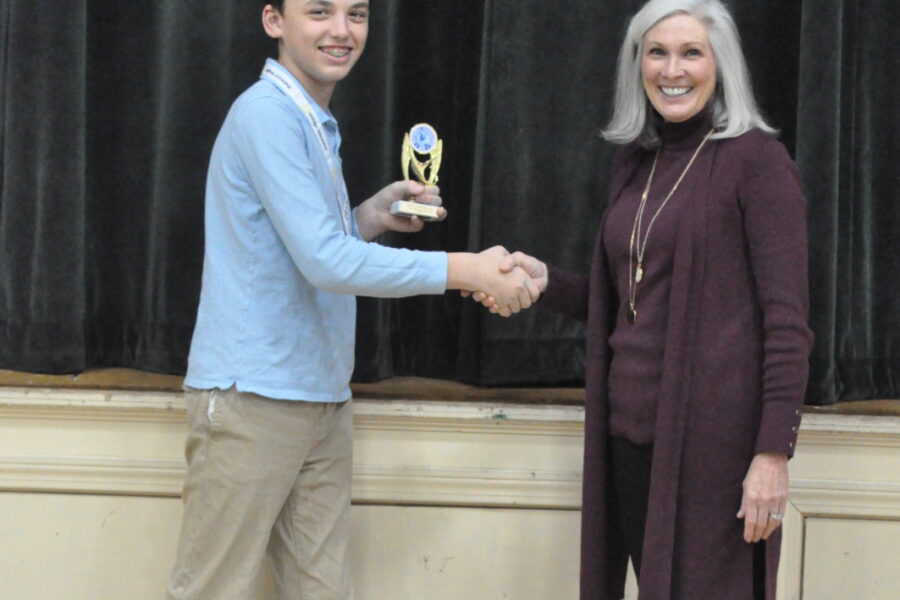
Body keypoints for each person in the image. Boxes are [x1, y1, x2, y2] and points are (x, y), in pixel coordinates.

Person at [165, 1, 540, 598]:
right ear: (273, 20)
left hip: (320, 394)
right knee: (211, 590)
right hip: (253, 395)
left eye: (357, 13)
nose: (342, 30)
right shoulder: (266, 114)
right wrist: (465, 269)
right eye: (319, 11)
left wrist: (369, 216)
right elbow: (325, 262)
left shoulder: (308, 116)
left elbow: (301, 247)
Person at [472, 0, 813, 598]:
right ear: (638, 64)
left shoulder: (758, 162)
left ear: (721, 64)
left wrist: (772, 455)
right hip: (629, 442)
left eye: (691, 53)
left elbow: (787, 328)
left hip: (716, 455)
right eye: (657, 52)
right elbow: (627, 299)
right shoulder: (636, 162)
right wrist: (544, 281)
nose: (671, 70)